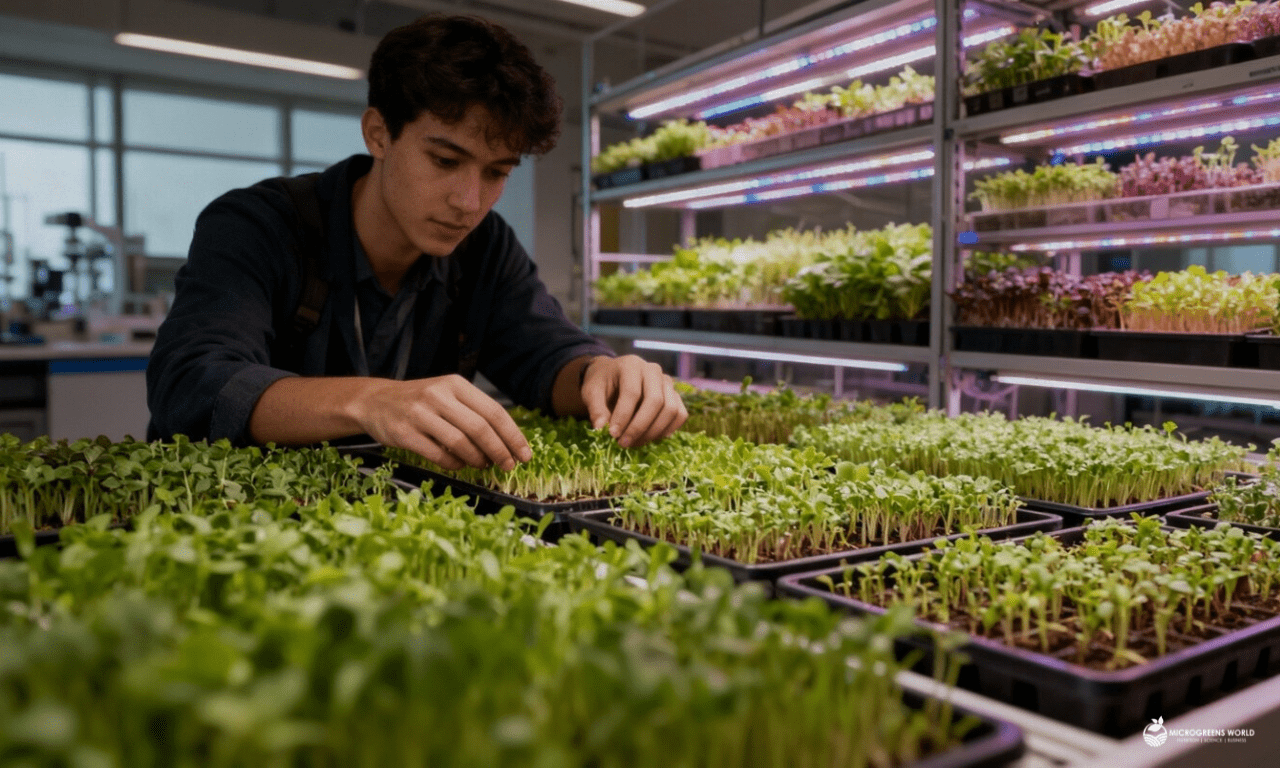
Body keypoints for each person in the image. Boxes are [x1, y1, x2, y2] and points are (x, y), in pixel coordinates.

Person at [146, 13, 686, 471]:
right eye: (445, 161)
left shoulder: (485, 247)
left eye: (497, 171)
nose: (469, 202)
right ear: (379, 133)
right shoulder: (257, 226)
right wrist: (371, 400)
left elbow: (546, 356)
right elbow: (193, 384)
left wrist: (603, 375)